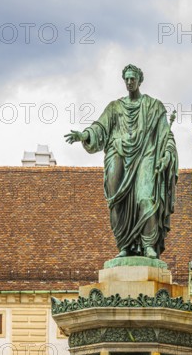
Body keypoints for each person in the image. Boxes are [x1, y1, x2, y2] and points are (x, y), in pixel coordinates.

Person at [65, 64, 178, 260]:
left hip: (146, 155)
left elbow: (165, 134)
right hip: (117, 154)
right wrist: (84, 135)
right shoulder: (114, 107)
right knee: (116, 202)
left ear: (140, 80)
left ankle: (148, 244)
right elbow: (99, 128)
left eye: (132, 78)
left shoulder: (154, 106)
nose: (129, 82)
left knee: (146, 198)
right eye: (126, 79)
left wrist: (167, 154)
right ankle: (124, 245)